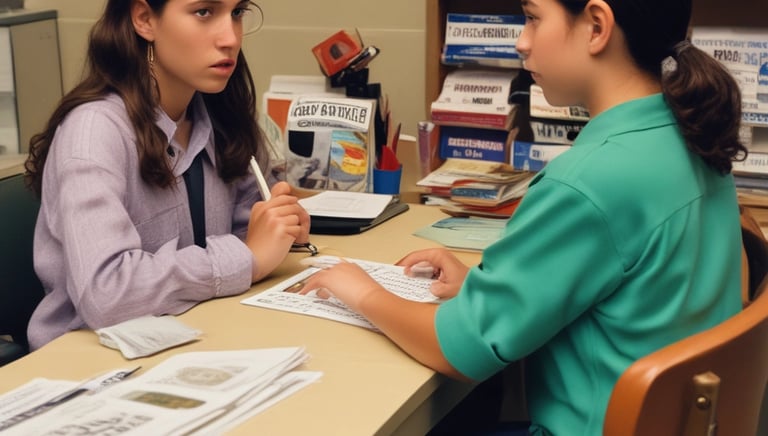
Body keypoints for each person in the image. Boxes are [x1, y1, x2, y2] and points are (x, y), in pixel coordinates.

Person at [301, 0, 747, 434]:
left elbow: (459, 350)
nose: (521, 41)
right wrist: (496, 286)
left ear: (596, 27)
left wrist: (360, 290)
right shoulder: (688, 136)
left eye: (533, 18)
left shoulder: (590, 181)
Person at [24, 0, 310, 350]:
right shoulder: (94, 130)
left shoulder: (221, 114)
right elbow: (107, 293)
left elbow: (249, 235)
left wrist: (282, 230)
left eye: (237, 13)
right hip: (92, 365)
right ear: (145, 19)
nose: (231, 38)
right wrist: (247, 259)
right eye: (204, 12)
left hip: (199, 338)